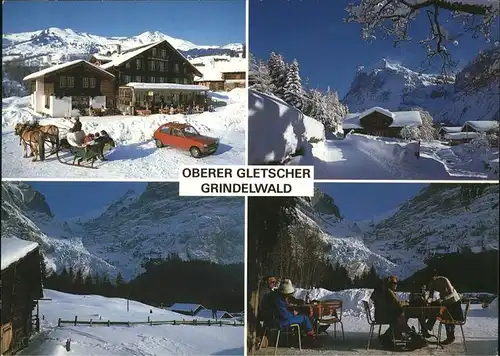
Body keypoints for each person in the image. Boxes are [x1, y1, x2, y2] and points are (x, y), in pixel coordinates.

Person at [370, 276, 411, 347]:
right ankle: (391, 335)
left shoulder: (381, 291)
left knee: (399, 317)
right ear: (389, 283)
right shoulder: (388, 292)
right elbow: (398, 304)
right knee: (400, 317)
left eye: (396, 283)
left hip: (379, 316)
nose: (396, 285)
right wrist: (407, 303)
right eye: (394, 283)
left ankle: (395, 334)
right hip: (385, 317)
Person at [425, 276, 463, 345]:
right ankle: (427, 328)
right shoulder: (432, 285)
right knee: (436, 310)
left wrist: (442, 299)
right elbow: (430, 296)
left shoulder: (443, 280)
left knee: (447, 317)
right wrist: (428, 301)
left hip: (454, 303)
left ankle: (450, 337)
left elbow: (451, 292)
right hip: (446, 303)